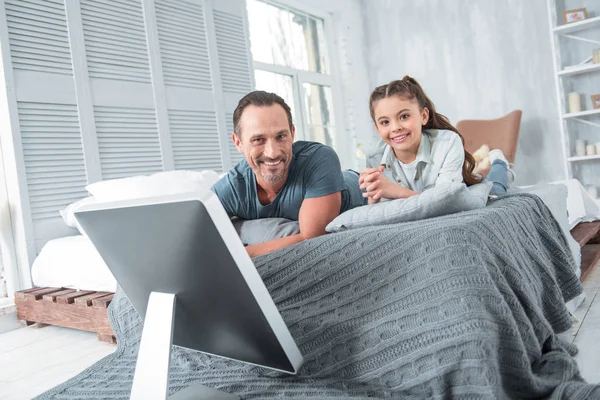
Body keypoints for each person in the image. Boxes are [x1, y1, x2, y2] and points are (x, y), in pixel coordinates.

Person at [211, 91, 366, 258]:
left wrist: (238, 256)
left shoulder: (320, 157)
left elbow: (312, 240)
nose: (272, 153)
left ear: (292, 133)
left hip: (355, 183)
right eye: (258, 140)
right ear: (238, 143)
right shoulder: (233, 187)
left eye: (281, 136)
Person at [360, 76, 514, 203]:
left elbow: (444, 203)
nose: (395, 128)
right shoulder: (375, 156)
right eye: (385, 122)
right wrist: (373, 198)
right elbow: (380, 211)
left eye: (404, 116)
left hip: (464, 196)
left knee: (495, 191)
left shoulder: (447, 143)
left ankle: (500, 164)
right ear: (377, 128)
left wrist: (397, 192)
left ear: (423, 116)